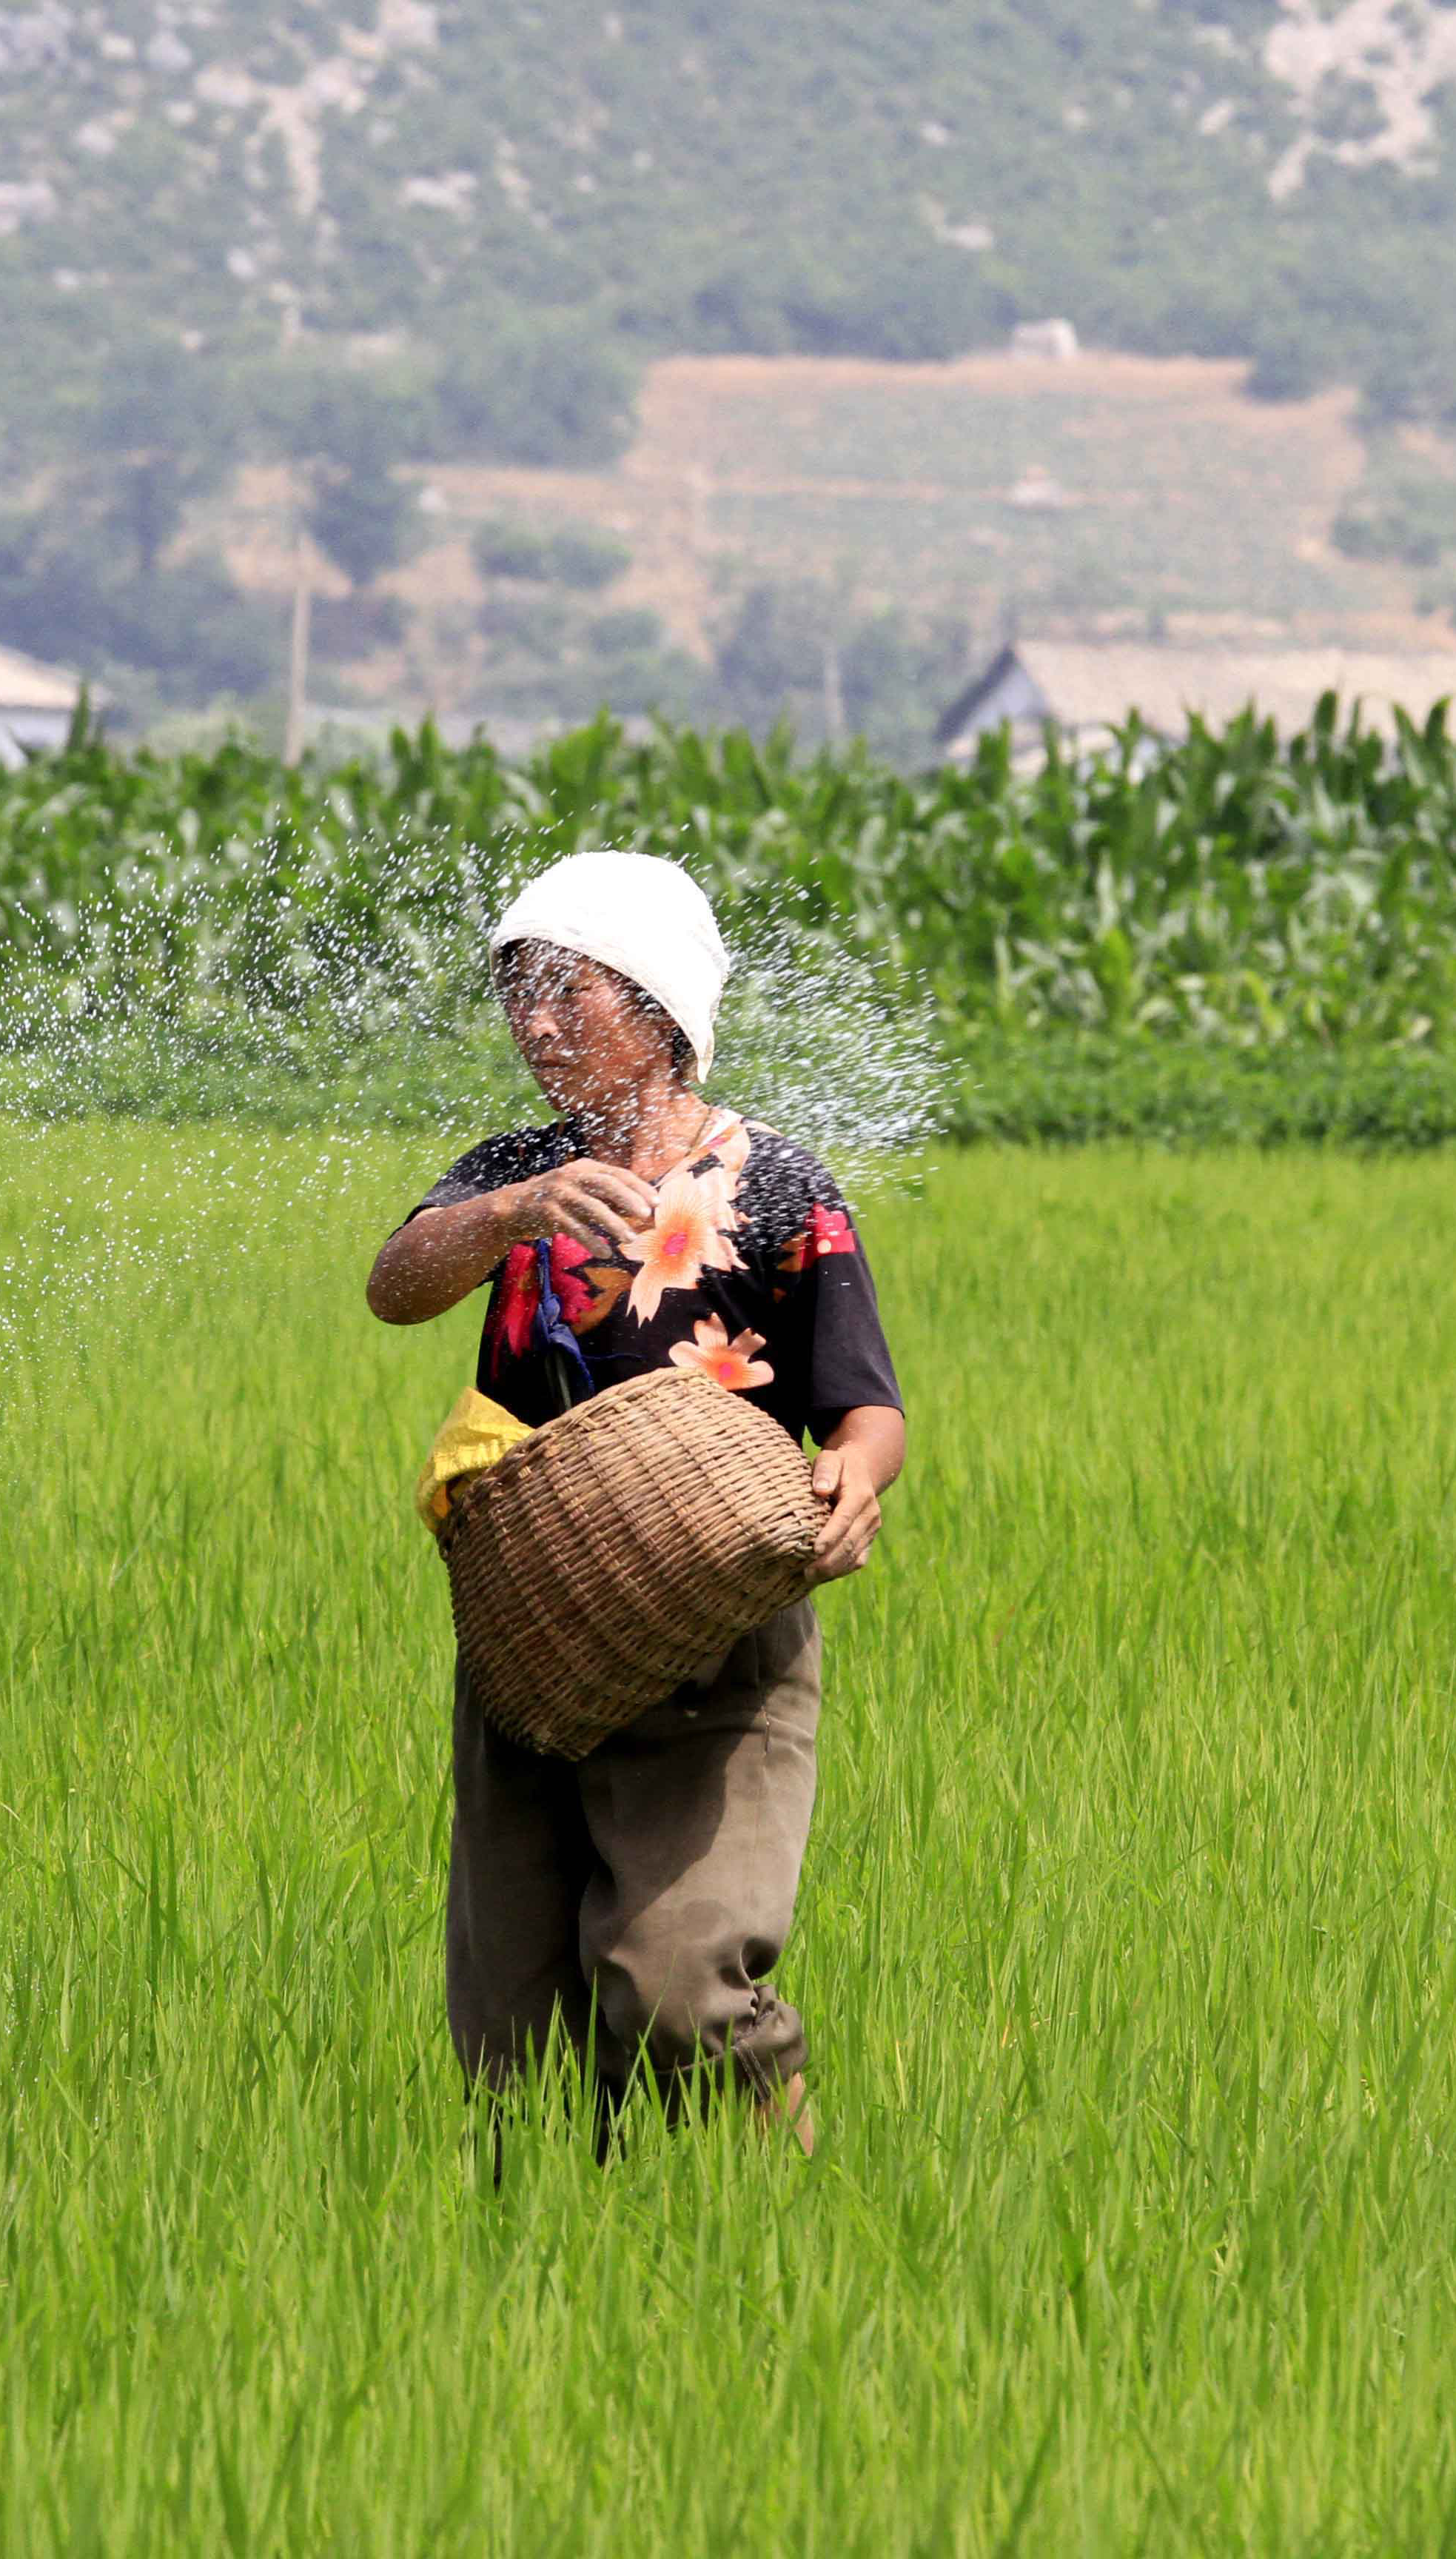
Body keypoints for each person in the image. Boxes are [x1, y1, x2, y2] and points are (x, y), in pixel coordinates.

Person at [366, 849, 906, 2152]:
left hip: (715, 1636)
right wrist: (516, 1207)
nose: (535, 1023)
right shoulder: (517, 1173)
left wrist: (855, 1481)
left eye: (568, 992)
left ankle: (793, 2194)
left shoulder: (778, 1187)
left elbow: (865, 1406)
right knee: (515, 2042)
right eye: (517, 993)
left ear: (659, 1011)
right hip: (534, 1629)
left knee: (679, 1987)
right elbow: (396, 1283)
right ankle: (569, 2276)